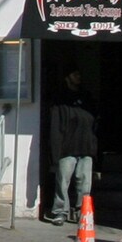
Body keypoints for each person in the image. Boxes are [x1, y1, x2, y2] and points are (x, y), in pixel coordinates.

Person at [47, 68, 98, 224]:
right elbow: (55, 127)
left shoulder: (86, 97)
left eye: (79, 74)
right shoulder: (60, 99)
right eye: (75, 74)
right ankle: (60, 211)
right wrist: (55, 154)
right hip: (67, 147)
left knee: (85, 183)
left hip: (86, 146)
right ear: (67, 77)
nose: (79, 77)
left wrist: (94, 145)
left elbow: (95, 121)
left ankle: (81, 211)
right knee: (63, 181)